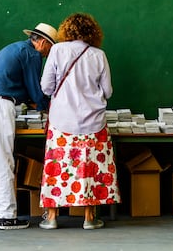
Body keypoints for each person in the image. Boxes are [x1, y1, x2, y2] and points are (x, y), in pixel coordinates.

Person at [39, 13, 121, 230]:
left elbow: (46, 87)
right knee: (89, 168)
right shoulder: (99, 55)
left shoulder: (57, 50)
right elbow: (108, 91)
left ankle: (52, 217)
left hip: (61, 122)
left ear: (66, 30)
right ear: (93, 32)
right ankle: (89, 218)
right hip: (93, 123)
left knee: (57, 168)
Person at [0, 22, 58, 230]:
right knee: (4, 160)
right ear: (44, 44)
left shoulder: (16, 48)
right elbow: (35, 89)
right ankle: (8, 217)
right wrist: (49, 107)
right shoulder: (33, 55)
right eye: (51, 48)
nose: (49, 55)